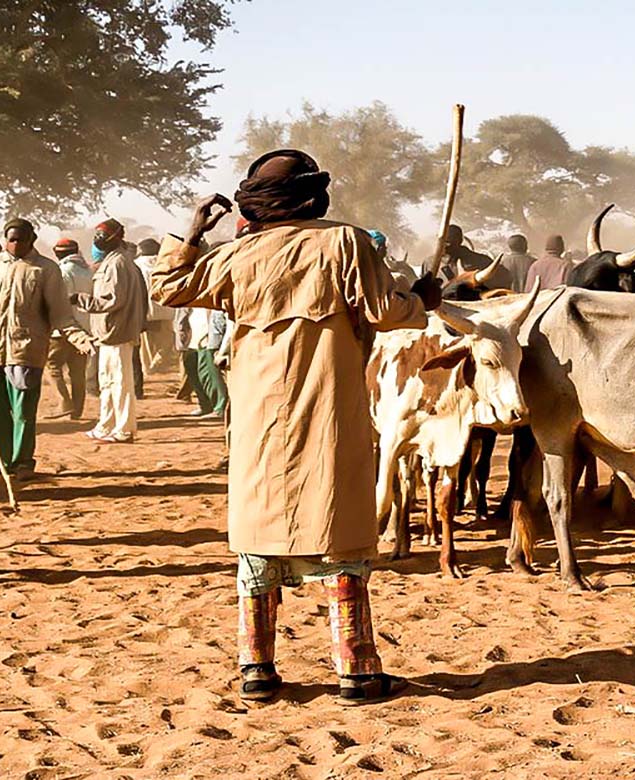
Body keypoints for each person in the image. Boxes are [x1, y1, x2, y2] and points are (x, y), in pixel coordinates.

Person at [151, 148, 442, 704]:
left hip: (259, 416)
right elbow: (387, 311)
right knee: (339, 533)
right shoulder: (344, 243)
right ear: (313, 196)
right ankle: (356, 671)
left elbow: (170, 287)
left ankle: (255, 669)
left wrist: (191, 232)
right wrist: (422, 299)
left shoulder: (238, 255)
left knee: (258, 535)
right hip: (329, 408)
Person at [0, 220, 92, 477]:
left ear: (31, 240)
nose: (15, 245)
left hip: (26, 351)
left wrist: (80, 339)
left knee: (24, 411)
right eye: (10, 239)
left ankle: (23, 461)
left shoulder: (45, 269)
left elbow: (61, 314)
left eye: (20, 240)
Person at [74, 218, 148, 443]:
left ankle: (124, 429)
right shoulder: (114, 261)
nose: (98, 239)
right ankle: (106, 424)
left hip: (118, 332)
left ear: (116, 237)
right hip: (107, 334)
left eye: (102, 235)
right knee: (107, 381)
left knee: (120, 383)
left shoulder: (118, 263)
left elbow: (112, 300)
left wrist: (79, 299)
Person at [44, 238, 94, 420]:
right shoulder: (87, 271)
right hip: (86, 327)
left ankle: (64, 402)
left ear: (59, 253)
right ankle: (77, 409)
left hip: (65, 329)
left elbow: (59, 301)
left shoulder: (63, 272)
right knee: (77, 371)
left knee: (53, 365)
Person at [134, 238, 176, 374]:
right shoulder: (167, 264)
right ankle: (158, 364)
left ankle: (148, 369)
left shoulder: (136, 265)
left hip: (145, 311)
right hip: (166, 310)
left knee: (146, 344)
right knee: (166, 343)